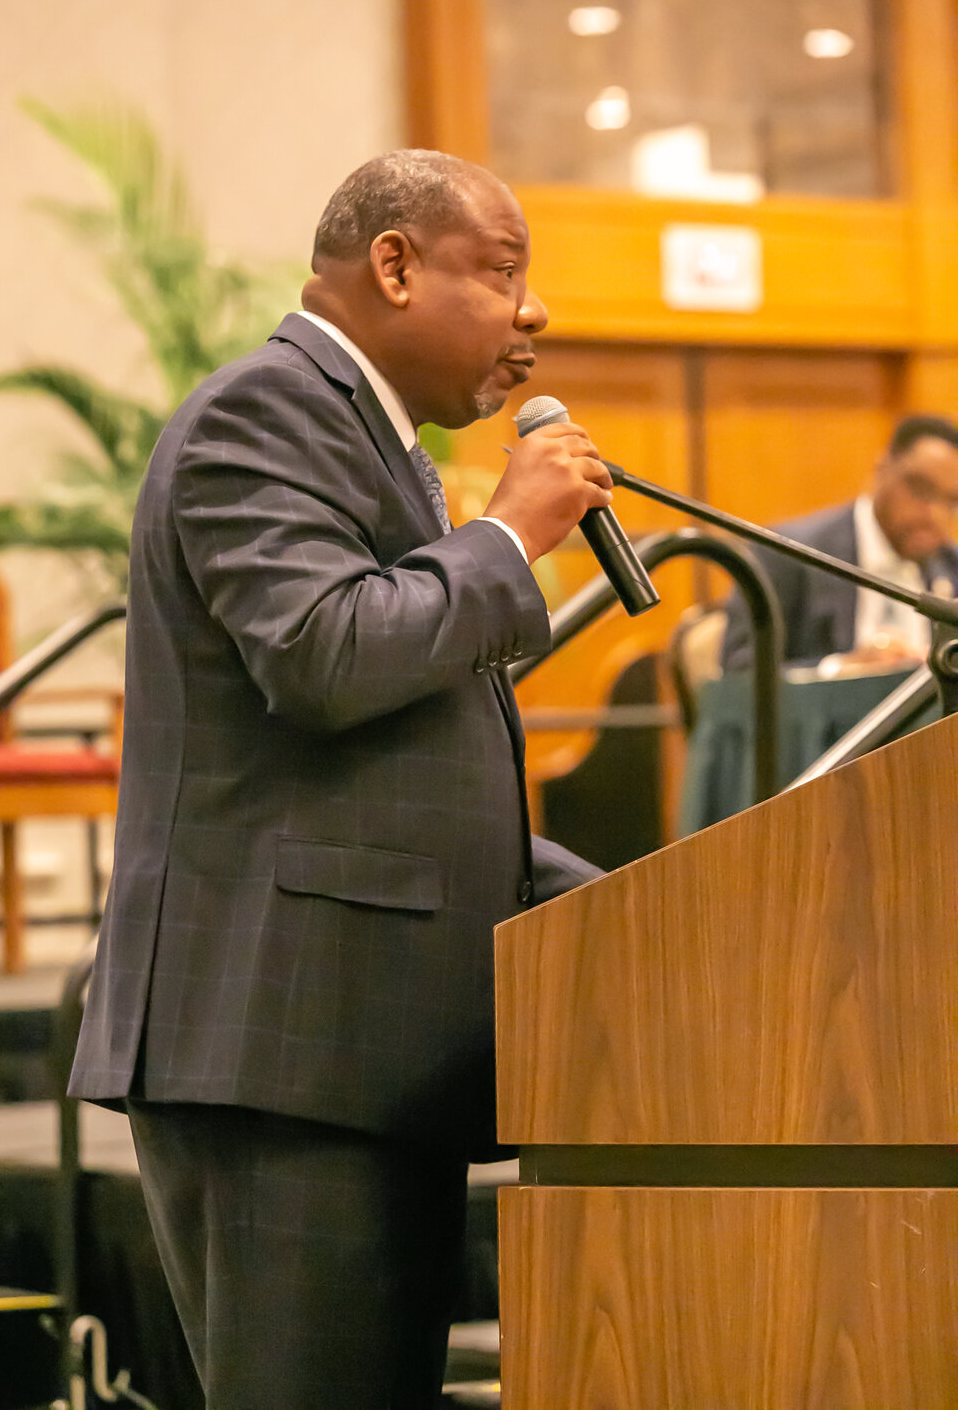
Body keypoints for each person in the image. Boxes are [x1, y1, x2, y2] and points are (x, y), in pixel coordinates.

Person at [68, 149, 612, 1408]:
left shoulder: (369, 437)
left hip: (355, 1052)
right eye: (503, 272)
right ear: (395, 265)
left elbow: (384, 767)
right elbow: (323, 655)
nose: (532, 311)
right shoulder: (265, 411)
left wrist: (630, 905)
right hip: (281, 1049)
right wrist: (509, 536)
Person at [721, 414, 958, 671]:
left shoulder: (951, 565)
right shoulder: (788, 553)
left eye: (952, 501)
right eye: (920, 489)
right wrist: (841, 668)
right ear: (882, 469)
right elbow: (741, 672)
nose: (934, 515)